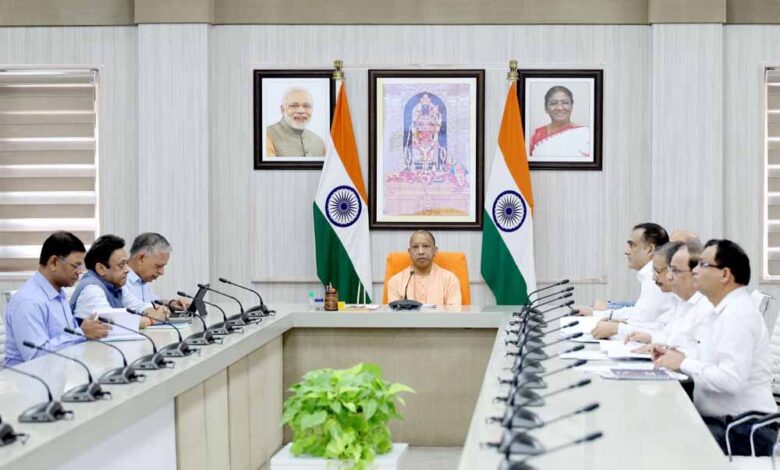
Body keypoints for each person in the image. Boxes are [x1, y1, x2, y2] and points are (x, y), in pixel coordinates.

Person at [653, 239, 776, 456]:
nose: (695, 271)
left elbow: (731, 380)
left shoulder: (737, 315)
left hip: (745, 430)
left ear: (725, 274)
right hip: (727, 424)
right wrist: (676, 356)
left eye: (703, 265)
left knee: (660, 441)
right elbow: (709, 360)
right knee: (658, 425)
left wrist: (683, 362)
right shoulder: (720, 311)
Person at [4, 232, 110, 366]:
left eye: (81, 267)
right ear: (54, 262)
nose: (80, 272)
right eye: (75, 266)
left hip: (60, 372)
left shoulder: (59, 294)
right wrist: (82, 333)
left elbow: (69, 339)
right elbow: (36, 357)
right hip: (28, 377)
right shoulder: (28, 301)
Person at [625, 239, 712, 353]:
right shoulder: (682, 301)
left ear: (696, 273)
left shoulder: (707, 307)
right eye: (670, 270)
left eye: (675, 271)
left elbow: (703, 354)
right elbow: (671, 337)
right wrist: (652, 339)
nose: (669, 277)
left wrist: (668, 351)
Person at [580, 223, 674, 327]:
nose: (626, 251)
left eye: (632, 245)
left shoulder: (656, 278)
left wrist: (615, 326)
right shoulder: (651, 275)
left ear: (650, 249)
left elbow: (641, 321)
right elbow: (639, 311)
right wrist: (598, 314)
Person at [590, 240, 681, 339]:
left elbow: (672, 338)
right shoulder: (677, 299)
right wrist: (624, 325)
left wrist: (619, 328)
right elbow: (659, 327)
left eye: (658, 271)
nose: (654, 278)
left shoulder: (686, 302)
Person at [70, 234, 166, 327]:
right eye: (121, 265)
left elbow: (138, 306)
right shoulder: (91, 290)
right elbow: (112, 324)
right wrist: (151, 320)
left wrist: (158, 310)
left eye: (126, 263)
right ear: (101, 269)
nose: (127, 270)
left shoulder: (115, 286)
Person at [387, 230, 461, 305]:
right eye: (415, 247)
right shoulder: (395, 282)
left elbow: (454, 311)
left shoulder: (450, 280)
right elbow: (394, 312)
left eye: (426, 246)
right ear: (409, 252)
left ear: (435, 251)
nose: (420, 252)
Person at [124, 232, 190, 311]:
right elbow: (137, 308)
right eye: (158, 266)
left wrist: (172, 303)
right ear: (141, 258)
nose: (162, 272)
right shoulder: (119, 281)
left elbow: (154, 301)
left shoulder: (142, 279)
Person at [529, 85, 590, 158]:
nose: (559, 108)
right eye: (553, 103)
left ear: (572, 106)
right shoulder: (536, 136)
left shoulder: (586, 134)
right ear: (546, 108)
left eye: (565, 103)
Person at [266, 87, 326, 157]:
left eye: (306, 106)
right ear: (282, 109)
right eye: (294, 106)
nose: (301, 111)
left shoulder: (319, 142)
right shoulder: (266, 135)